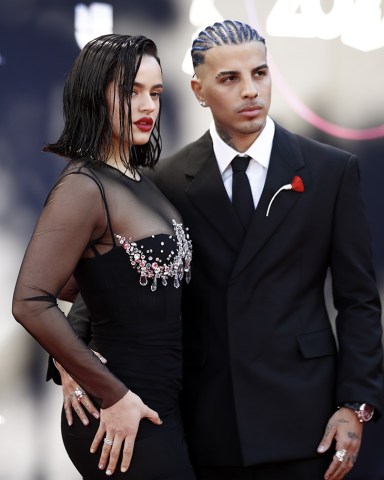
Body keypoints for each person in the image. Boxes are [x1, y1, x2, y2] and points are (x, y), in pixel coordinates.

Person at [49, 20, 384, 480]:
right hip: (205, 417)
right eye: (230, 79)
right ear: (198, 89)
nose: (251, 91)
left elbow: (359, 300)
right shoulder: (166, 180)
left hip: (307, 416)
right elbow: (116, 279)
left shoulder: (331, 171)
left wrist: (356, 403)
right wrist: (70, 356)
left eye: (260, 74)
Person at [12, 33, 195, 480]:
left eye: (155, 93)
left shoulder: (136, 180)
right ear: (94, 98)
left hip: (157, 402)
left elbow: (94, 280)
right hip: (121, 413)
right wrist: (107, 389)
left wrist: (73, 358)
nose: (148, 105)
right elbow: (30, 300)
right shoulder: (84, 186)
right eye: (131, 92)